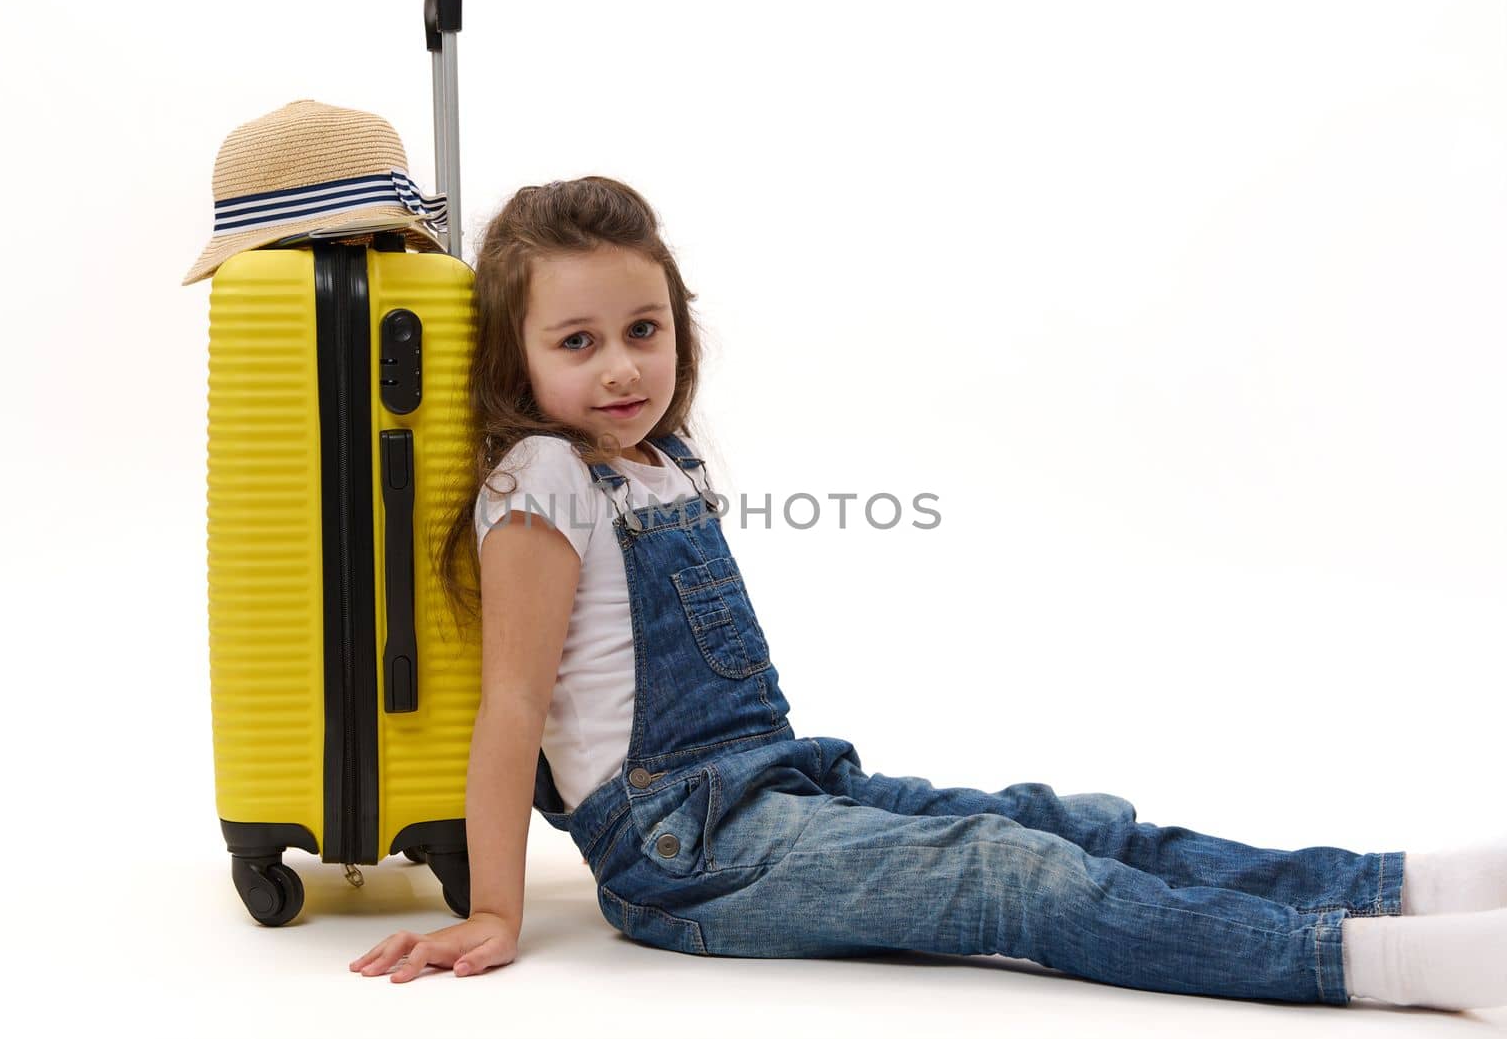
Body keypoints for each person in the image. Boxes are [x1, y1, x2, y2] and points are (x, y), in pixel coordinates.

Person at [350, 176, 1507, 1011]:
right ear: (518, 363)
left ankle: (1402, 885)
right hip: (676, 854)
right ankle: (1379, 964)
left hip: (768, 783)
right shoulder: (543, 479)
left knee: (1050, 817)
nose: (621, 367)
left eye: (643, 330)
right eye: (578, 341)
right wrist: (496, 909)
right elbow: (511, 710)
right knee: (1006, 875)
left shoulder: (667, 462)